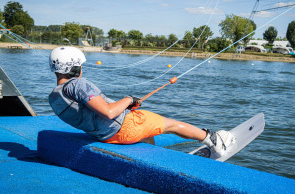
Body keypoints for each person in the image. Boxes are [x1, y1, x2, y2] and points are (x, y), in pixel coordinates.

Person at [48, 46, 234, 157]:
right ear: (74, 68)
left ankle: (153, 161)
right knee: (172, 125)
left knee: (148, 134)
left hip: (106, 136)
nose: (82, 70)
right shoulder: (77, 85)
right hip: (125, 126)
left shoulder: (54, 97)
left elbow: (90, 113)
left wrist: (126, 105)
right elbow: (108, 112)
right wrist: (128, 99)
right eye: (80, 66)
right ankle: (213, 139)